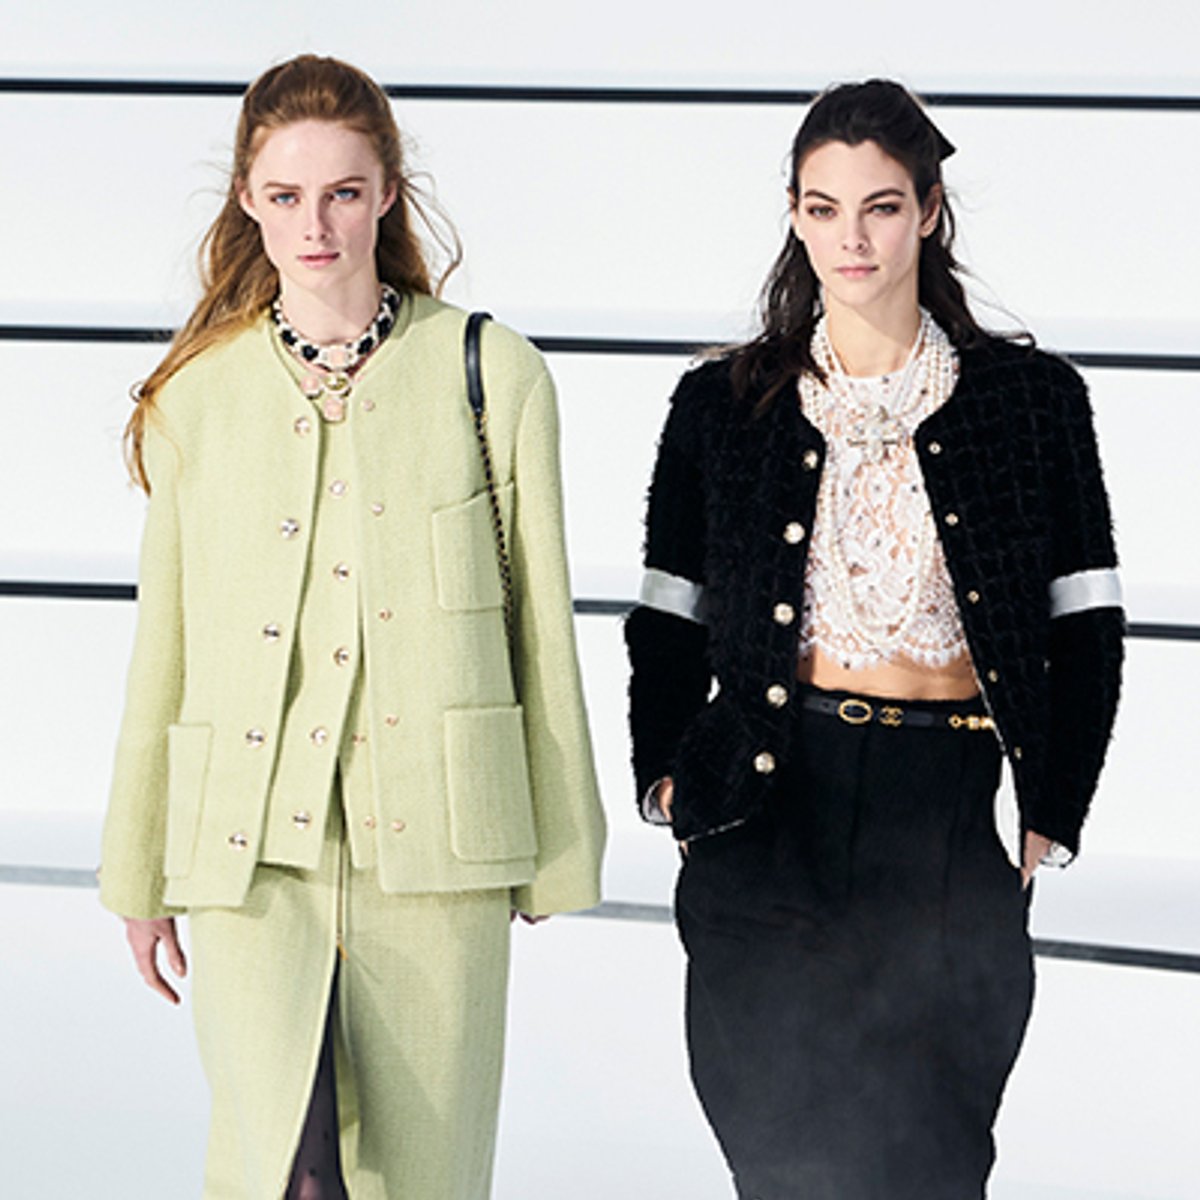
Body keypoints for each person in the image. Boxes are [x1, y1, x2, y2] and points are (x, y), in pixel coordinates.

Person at [99, 53, 605, 1200]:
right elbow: (163, 647)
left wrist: (556, 854)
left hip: (438, 857)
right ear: (247, 199)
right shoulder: (196, 396)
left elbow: (541, 628)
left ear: (386, 193)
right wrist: (137, 869)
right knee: (284, 1173)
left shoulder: (494, 374)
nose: (313, 225)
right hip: (249, 858)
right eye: (285, 195)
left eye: (341, 192)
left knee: (421, 1178)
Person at [626, 79, 1123, 1200]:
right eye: (823, 208)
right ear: (796, 219)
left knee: (931, 1168)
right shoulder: (722, 404)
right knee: (787, 1169)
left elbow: (1086, 623)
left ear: (930, 211)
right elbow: (667, 614)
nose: (851, 238)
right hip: (768, 806)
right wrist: (663, 775)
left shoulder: (1033, 401)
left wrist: (1057, 803)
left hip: (943, 814)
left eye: (881, 207)